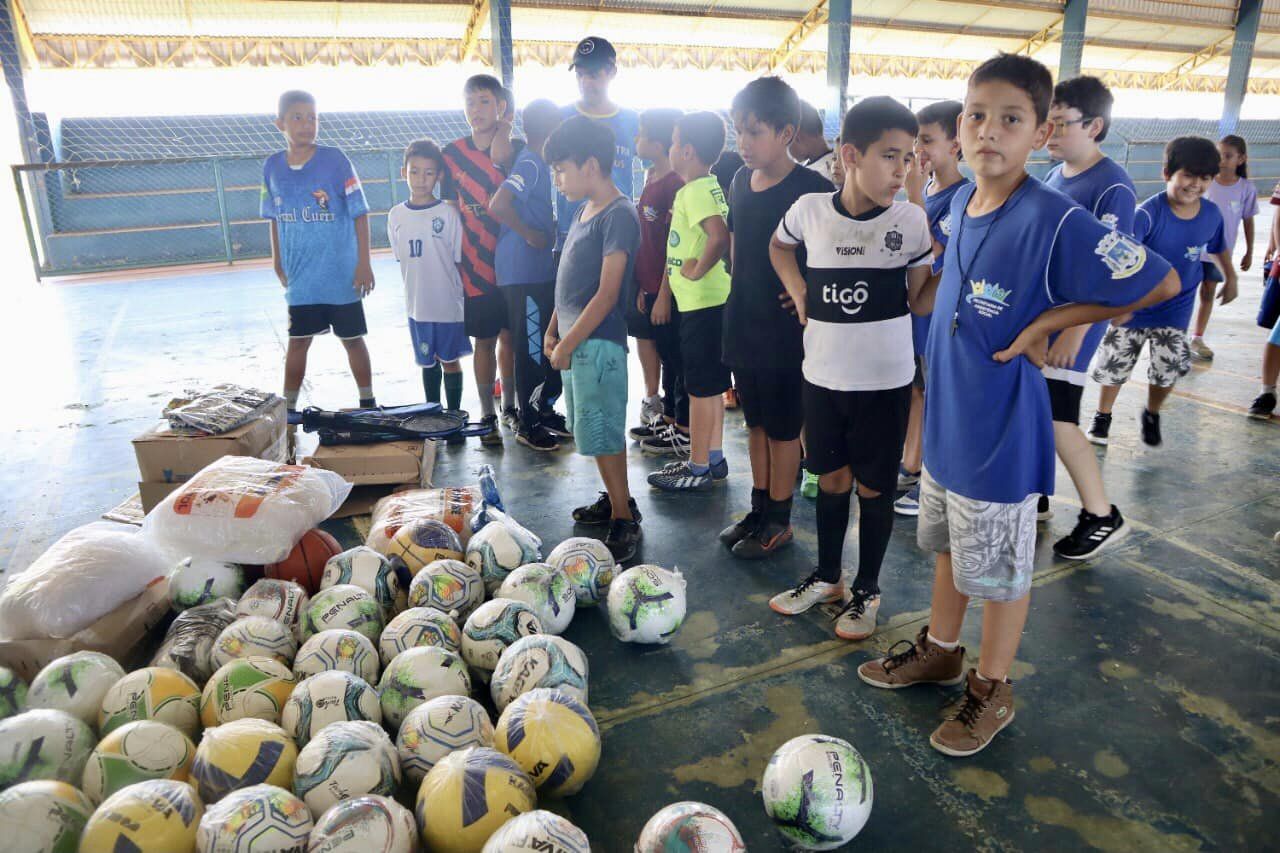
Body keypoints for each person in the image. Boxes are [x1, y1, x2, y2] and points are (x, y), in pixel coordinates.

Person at [856, 54, 1178, 757]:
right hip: (949, 425)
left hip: (1002, 432)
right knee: (947, 549)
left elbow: (1157, 280)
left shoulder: (1054, 218)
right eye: (976, 115)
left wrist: (1051, 324)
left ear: (1041, 134)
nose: (987, 132)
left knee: (1000, 573)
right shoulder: (964, 206)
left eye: (1011, 118)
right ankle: (941, 650)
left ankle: (991, 687)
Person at [767, 96, 934, 641]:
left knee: (874, 488)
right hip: (822, 376)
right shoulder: (811, 211)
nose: (900, 170)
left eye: (908, 158)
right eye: (890, 156)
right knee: (830, 477)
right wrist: (798, 290)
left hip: (884, 383)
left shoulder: (911, 221)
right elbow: (778, 246)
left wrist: (955, 259)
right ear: (851, 155)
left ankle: (867, 590)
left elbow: (920, 300)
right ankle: (828, 577)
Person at [718, 77, 832, 560]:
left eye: (754, 132)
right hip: (744, 320)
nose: (743, 143)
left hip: (788, 333)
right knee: (756, 424)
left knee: (786, 430)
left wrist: (808, 293)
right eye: (738, 131)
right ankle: (759, 508)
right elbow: (738, 248)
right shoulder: (740, 179)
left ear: (787, 133)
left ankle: (780, 520)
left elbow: (835, 257)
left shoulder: (813, 189)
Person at [1035, 76, 1137, 559]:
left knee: (1058, 416)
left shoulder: (1111, 185)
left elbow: (1114, 269)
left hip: (1076, 322)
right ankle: (1035, 495)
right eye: (1047, 121)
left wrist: (1076, 328)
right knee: (1036, 407)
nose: (1050, 132)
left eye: (1061, 123)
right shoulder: (1057, 176)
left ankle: (1101, 514)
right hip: (1048, 316)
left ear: (1094, 126)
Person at [1089, 136, 1235, 448]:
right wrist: (1116, 306)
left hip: (1176, 310)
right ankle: (1103, 414)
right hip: (1135, 308)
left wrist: (1231, 278)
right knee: (1115, 366)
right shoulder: (1147, 214)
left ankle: (1152, 412)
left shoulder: (1211, 215)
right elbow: (1121, 261)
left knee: (1166, 370)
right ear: (1167, 173)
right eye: (1188, 175)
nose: (1195, 184)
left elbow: (1219, 249)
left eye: (1204, 178)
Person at [545, 116, 643, 560]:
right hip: (576, 342)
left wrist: (568, 343)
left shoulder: (619, 213)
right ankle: (614, 497)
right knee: (594, 430)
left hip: (598, 344)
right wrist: (553, 328)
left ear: (590, 165)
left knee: (604, 431)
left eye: (561, 169)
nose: (558, 179)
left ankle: (624, 517)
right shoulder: (582, 210)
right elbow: (571, 280)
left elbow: (605, 294)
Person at [261, 90, 376, 413]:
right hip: (301, 279)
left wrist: (363, 263)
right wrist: (277, 260)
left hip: (341, 275)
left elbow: (360, 212)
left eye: (312, 117)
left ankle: (368, 401)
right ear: (280, 123)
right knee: (298, 342)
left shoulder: (336, 161)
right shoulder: (272, 168)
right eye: (297, 117)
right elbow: (272, 217)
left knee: (353, 339)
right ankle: (290, 409)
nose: (306, 124)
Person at [647, 112, 732, 491]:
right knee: (711, 385)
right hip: (711, 302)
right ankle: (714, 457)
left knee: (699, 389)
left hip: (702, 303)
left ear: (687, 151)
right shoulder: (709, 185)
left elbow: (718, 235)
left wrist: (697, 270)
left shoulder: (694, 191)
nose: (670, 147)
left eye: (674, 141)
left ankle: (696, 466)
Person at [895, 99, 969, 518]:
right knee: (916, 390)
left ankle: (929, 476)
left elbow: (930, 246)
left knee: (934, 394)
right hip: (914, 312)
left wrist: (911, 196)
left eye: (927, 140)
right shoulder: (925, 190)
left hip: (939, 316)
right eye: (915, 141)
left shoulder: (963, 195)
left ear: (955, 144)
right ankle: (911, 463)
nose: (919, 149)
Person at [442, 75, 520, 446]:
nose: (476, 109)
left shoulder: (516, 151)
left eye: (485, 101)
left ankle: (512, 407)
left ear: (501, 107)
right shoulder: (451, 154)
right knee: (484, 341)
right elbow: (445, 211)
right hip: (474, 266)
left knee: (512, 339)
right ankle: (487, 413)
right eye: (470, 102)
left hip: (513, 262)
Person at [488, 99, 564, 452]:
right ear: (550, 132)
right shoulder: (532, 162)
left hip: (538, 270)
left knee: (544, 340)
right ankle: (527, 421)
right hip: (522, 270)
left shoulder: (539, 163)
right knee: (531, 345)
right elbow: (498, 204)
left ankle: (544, 409)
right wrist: (528, 233)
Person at [387, 138, 470, 421]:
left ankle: (455, 415)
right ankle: (433, 414)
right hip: (417, 305)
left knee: (450, 360)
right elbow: (402, 257)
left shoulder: (447, 214)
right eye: (414, 171)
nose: (421, 179)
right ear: (403, 173)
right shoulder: (396, 215)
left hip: (446, 304)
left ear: (439, 175)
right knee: (427, 362)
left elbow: (456, 259)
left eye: (428, 172)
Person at [627, 109, 690, 454]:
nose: (636, 140)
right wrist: (643, 285)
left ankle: (684, 427)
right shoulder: (651, 177)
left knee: (678, 360)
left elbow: (673, 245)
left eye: (640, 133)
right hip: (649, 286)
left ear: (658, 142)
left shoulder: (675, 186)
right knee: (667, 356)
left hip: (670, 291)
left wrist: (664, 293)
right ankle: (668, 420)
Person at [1191, 135, 1257, 361]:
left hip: (1220, 253)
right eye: (1220, 155)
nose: (1222, 160)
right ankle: (1173, 334)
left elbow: (1248, 219)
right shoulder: (1206, 182)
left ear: (1241, 159)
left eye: (1228, 156)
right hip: (1193, 249)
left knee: (1208, 292)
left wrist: (1249, 251)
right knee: (1183, 291)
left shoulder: (1246, 188)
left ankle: (1197, 337)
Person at [789, 100, 836, 186]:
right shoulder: (834, 162)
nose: (788, 151)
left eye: (787, 144)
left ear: (797, 138)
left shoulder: (820, 177)